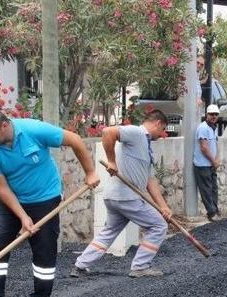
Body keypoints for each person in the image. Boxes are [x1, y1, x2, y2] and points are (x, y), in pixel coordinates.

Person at [0, 109, 100, 297]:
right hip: (11, 200)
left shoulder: (33, 130)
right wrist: (23, 216)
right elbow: (2, 188)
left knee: (44, 249)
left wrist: (91, 172)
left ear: (4, 125)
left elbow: (75, 140)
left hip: (45, 198)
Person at [70, 109, 172, 278]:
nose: (162, 135)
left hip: (115, 197)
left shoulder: (146, 147)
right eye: (163, 130)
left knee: (109, 231)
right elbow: (107, 132)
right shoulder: (137, 133)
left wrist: (163, 206)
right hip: (126, 197)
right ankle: (140, 266)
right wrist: (111, 161)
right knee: (158, 226)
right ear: (158, 123)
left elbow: (150, 180)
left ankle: (81, 265)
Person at [194, 104, 221, 221]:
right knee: (206, 190)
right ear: (207, 115)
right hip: (203, 165)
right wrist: (213, 160)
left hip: (211, 164)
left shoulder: (213, 128)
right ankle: (211, 213)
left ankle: (215, 210)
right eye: (211, 114)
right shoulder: (203, 128)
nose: (214, 116)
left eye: (216, 114)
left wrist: (217, 159)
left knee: (214, 188)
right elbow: (204, 147)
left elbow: (214, 144)